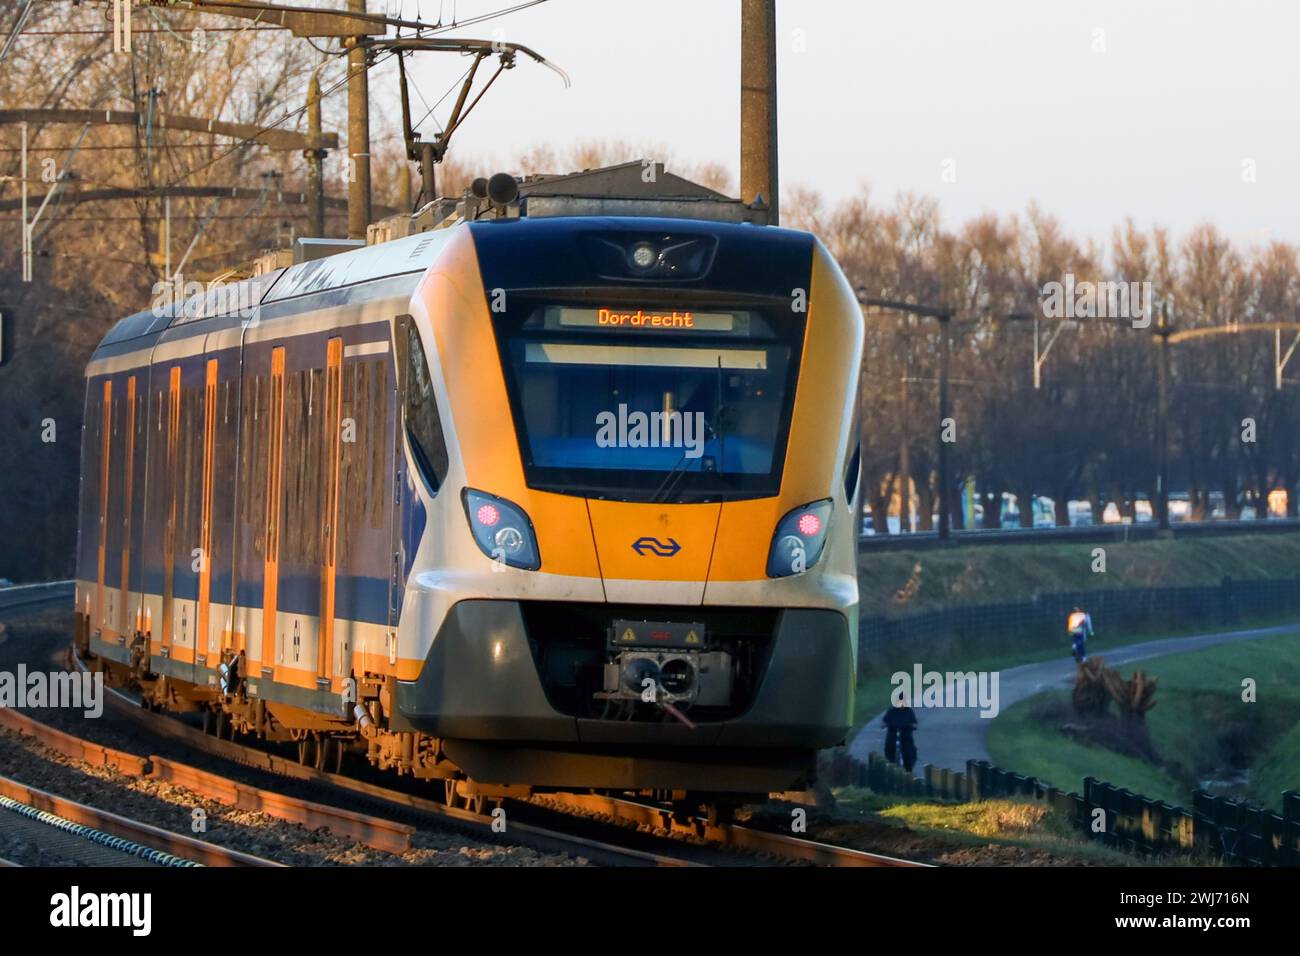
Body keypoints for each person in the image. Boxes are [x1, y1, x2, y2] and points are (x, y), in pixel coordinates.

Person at [882, 698, 918, 773]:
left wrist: (913, 726)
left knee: (908, 749)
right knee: (889, 746)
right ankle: (890, 763)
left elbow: (914, 722)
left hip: (905, 734)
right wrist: (884, 725)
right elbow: (884, 721)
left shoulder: (909, 711)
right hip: (893, 733)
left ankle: (909, 768)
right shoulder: (891, 711)